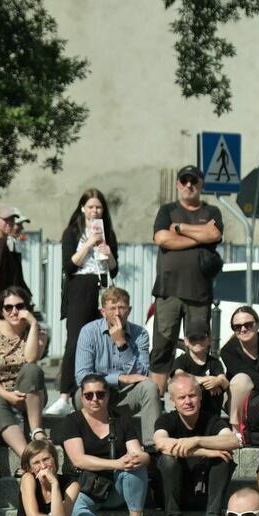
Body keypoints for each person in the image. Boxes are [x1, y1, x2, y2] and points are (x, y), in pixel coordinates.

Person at [60, 373, 148, 516]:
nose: (95, 399)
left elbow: (138, 452)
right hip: (83, 488)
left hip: (115, 489)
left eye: (100, 394)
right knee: (76, 512)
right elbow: (78, 459)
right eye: (89, 395)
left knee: (136, 466)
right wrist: (117, 463)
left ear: (108, 395)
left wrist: (138, 458)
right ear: (81, 397)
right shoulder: (72, 421)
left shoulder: (121, 420)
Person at [150, 165, 223, 396]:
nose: (188, 185)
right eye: (184, 181)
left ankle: (196, 403)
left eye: (194, 181)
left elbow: (214, 234)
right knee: (162, 349)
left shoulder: (212, 212)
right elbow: (162, 239)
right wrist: (199, 236)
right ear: (177, 184)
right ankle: (156, 403)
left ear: (201, 185)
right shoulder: (167, 210)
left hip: (199, 295)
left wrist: (180, 229)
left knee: (199, 348)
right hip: (168, 291)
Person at [48, 189, 120, 414]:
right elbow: (69, 266)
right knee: (75, 341)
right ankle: (64, 396)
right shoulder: (72, 233)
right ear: (82, 208)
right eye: (90, 207)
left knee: (102, 340)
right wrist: (89, 243)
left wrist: (108, 254)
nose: (94, 211)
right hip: (79, 287)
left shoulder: (108, 232)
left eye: (98, 207)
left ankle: (96, 393)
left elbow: (114, 270)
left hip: (101, 286)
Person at [153, 373, 238, 516]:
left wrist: (196, 440)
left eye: (192, 395)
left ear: (200, 396)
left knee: (224, 458)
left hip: (203, 493)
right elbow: (161, 443)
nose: (188, 401)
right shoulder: (166, 420)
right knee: (167, 460)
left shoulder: (212, 421)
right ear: (172, 401)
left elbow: (232, 441)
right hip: (172, 495)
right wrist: (204, 451)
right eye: (181, 397)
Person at [72, 286, 158, 446]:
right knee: (80, 394)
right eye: (112, 308)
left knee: (150, 387)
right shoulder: (89, 332)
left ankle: (153, 447)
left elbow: (142, 374)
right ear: (103, 311)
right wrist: (120, 378)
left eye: (122, 308)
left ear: (129, 310)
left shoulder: (140, 334)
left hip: (127, 397)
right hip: (98, 396)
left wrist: (122, 344)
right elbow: (82, 376)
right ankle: (89, 439)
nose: (117, 313)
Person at [0, 285, 47, 457]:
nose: (14, 311)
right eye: (8, 307)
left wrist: (33, 324)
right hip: (3, 392)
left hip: (32, 394)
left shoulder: (39, 332)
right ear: (1, 310)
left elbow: (31, 359)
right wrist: (8, 395)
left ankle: (36, 431)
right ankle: (26, 455)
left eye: (19, 306)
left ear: (26, 308)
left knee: (31, 369)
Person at [172, 326, 228, 420]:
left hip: (212, 414)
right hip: (188, 414)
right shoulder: (181, 361)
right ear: (186, 341)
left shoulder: (214, 362)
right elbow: (179, 376)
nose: (197, 342)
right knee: (198, 388)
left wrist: (218, 381)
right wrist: (207, 380)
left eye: (201, 338)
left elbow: (225, 382)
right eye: (193, 338)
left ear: (209, 340)